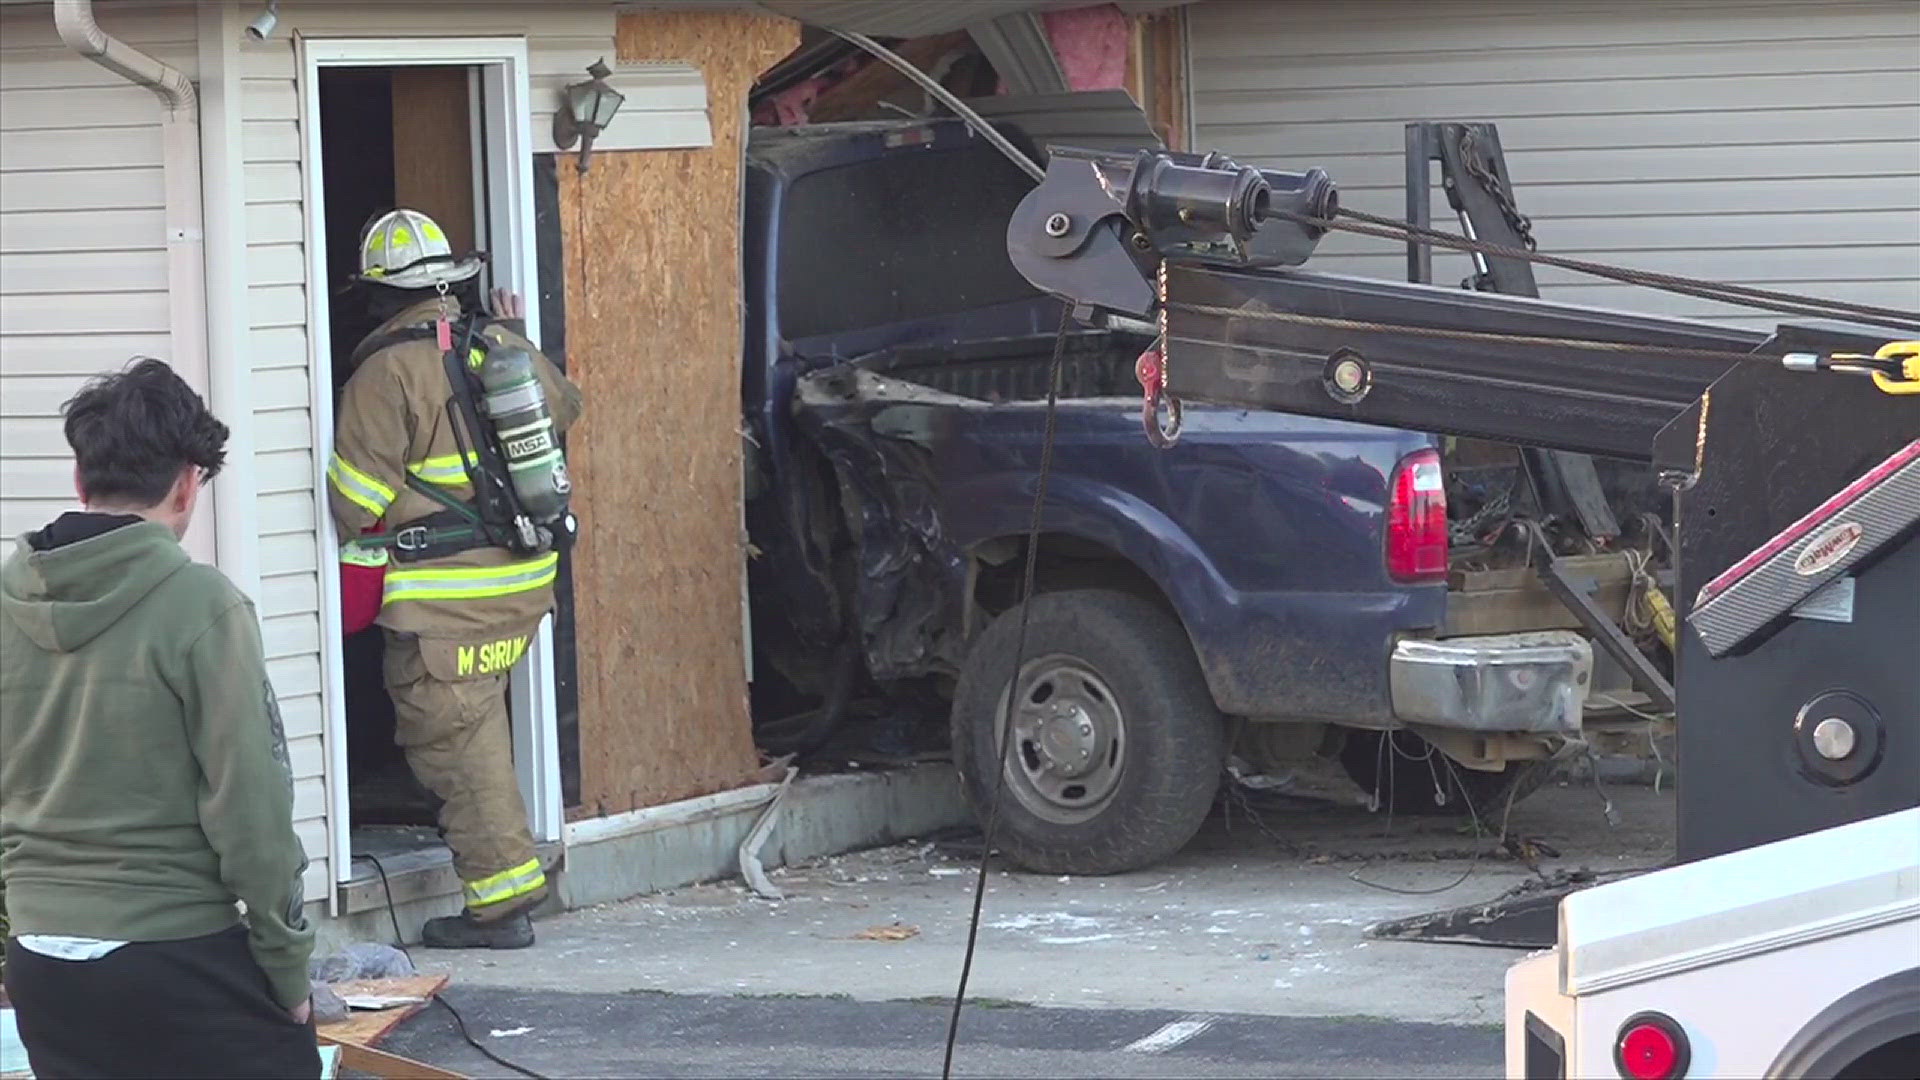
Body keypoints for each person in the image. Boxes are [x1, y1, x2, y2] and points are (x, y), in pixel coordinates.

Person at [1, 359, 319, 1077]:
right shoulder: (203, 607)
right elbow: (254, 813)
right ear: (187, 486)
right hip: (172, 951)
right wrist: (286, 969)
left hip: (41, 964)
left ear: (81, 483)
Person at [329, 208, 583, 949]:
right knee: (477, 726)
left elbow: (356, 502)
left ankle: (502, 902)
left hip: (443, 604)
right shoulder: (500, 346)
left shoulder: (383, 372)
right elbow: (565, 407)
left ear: (376, 294)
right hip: (521, 585)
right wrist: (525, 338)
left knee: (453, 742)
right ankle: (507, 882)